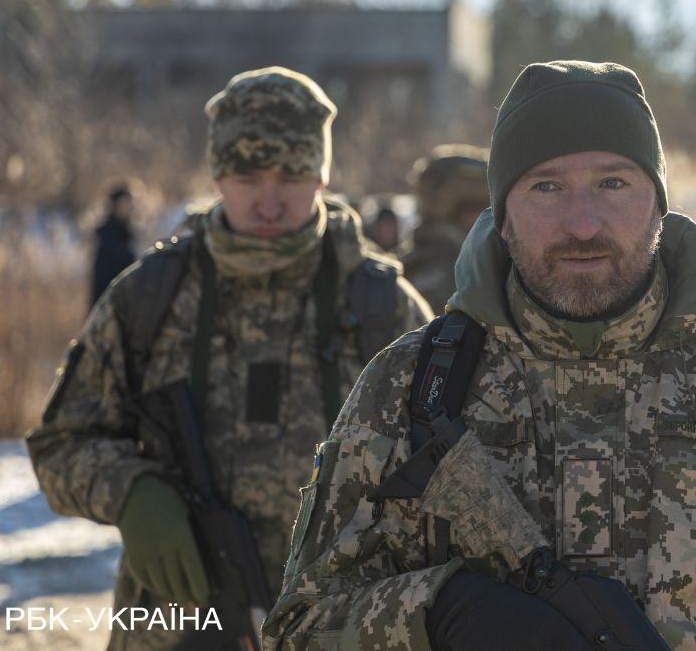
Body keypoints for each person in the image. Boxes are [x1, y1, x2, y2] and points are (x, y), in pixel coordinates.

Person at [264, 60, 696, 649]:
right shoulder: (413, 386)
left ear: (658, 205)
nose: (582, 224)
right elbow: (299, 629)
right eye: (546, 187)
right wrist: (439, 613)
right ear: (503, 216)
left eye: (612, 183)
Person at [26, 67, 432, 650]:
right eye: (247, 177)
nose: (269, 201)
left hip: (346, 627)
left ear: (321, 177)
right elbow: (60, 442)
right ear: (218, 176)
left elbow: (448, 462)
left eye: (290, 176)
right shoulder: (151, 297)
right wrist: (132, 493)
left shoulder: (381, 306)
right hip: (179, 625)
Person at [398, 143, 490, 310]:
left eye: (480, 210)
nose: (475, 218)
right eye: (469, 210)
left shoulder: (494, 261)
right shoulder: (422, 265)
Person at [91, 183, 137, 307]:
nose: (131, 207)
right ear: (116, 205)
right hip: (110, 305)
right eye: (126, 202)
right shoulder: (108, 236)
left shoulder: (127, 235)